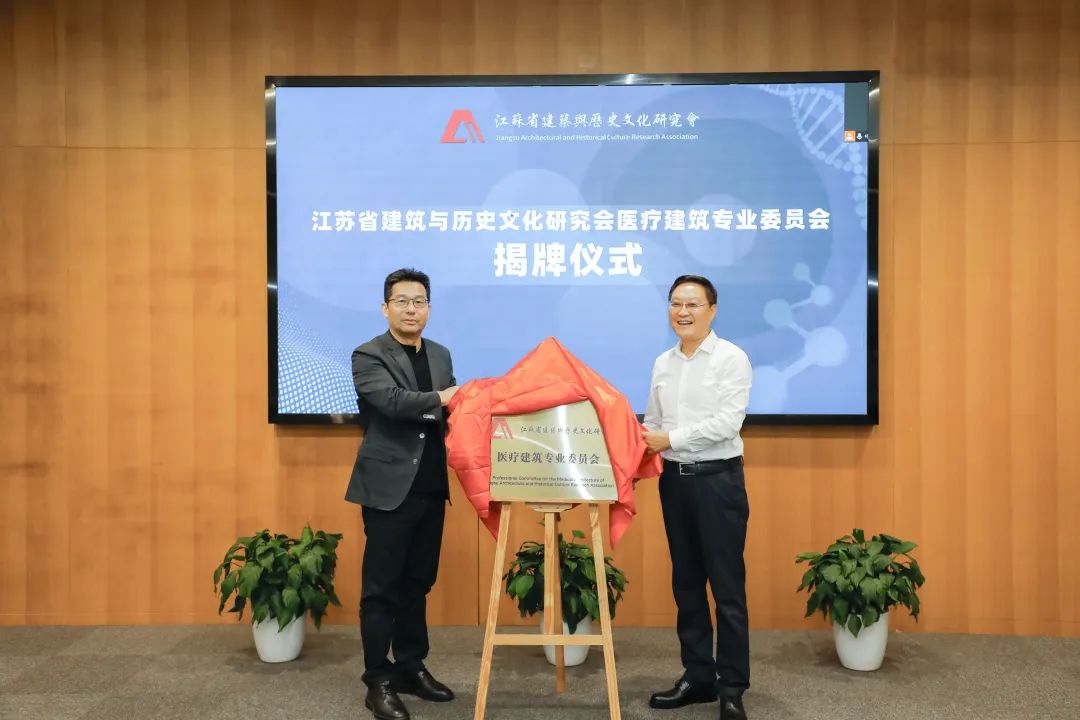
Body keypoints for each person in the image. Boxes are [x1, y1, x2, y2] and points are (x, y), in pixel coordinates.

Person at [345, 268, 459, 720]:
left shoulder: (441, 354)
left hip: (431, 486)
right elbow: (390, 402)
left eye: (419, 301)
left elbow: (454, 410)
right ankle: (378, 680)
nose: (411, 309)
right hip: (388, 490)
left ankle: (412, 667)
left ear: (429, 308)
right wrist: (442, 399)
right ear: (385, 307)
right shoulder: (367, 354)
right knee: (381, 590)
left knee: (417, 584)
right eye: (402, 301)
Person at [642, 275, 753, 720]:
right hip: (675, 484)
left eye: (692, 304)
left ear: (712, 310)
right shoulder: (662, 363)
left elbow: (727, 424)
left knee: (726, 588)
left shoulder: (731, 359)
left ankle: (732, 686)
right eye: (675, 303)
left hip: (718, 483)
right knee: (686, 584)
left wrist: (670, 438)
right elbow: (653, 423)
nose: (682, 312)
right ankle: (698, 676)